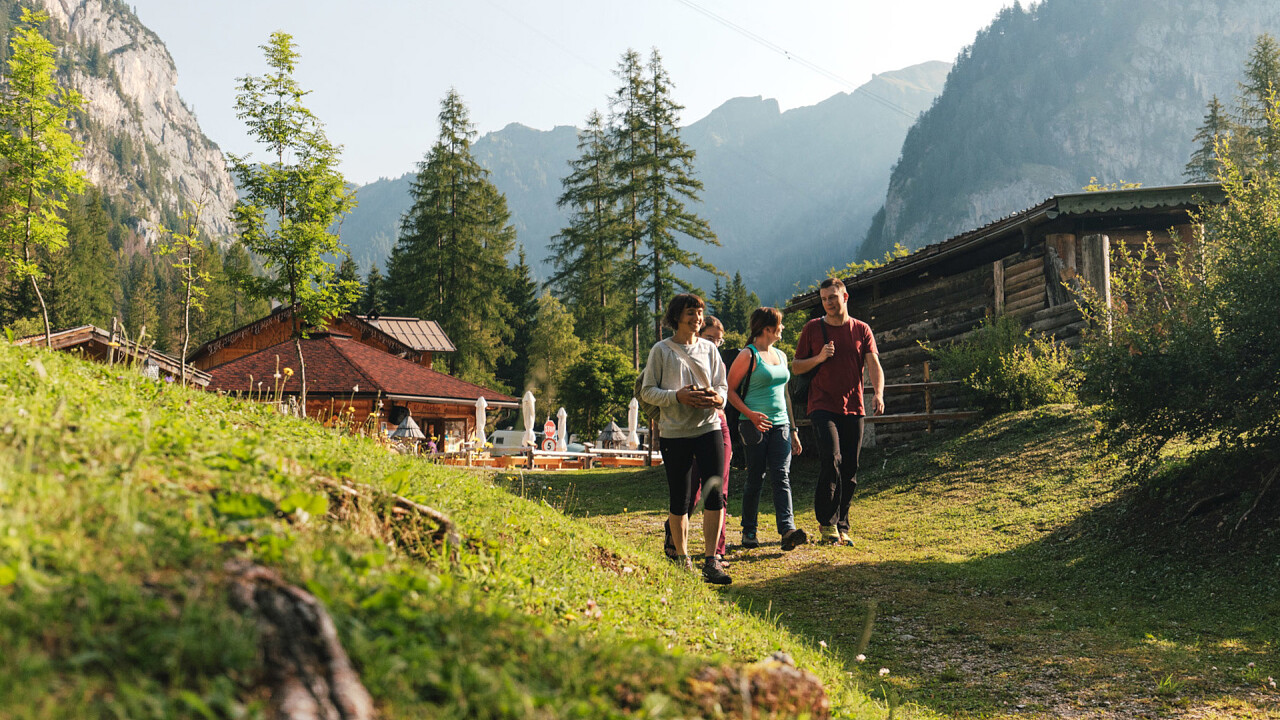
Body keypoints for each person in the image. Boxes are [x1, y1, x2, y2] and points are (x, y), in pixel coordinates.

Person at [640, 294, 732, 585]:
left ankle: (711, 561)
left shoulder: (709, 349)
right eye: (691, 312)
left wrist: (718, 399)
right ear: (677, 316)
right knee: (679, 498)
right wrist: (677, 396)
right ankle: (682, 558)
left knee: (715, 495)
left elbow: (722, 386)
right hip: (675, 433)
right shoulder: (661, 351)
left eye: (700, 313)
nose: (697, 318)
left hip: (709, 428)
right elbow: (647, 392)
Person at [792, 278, 884, 545]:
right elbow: (797, 367)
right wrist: (819, 358)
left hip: (854, 407)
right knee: (831, 460)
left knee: (850, 468)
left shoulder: (861, 329)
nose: (828, 303)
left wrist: (878, 393)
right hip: (821, 405)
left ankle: (843, 524)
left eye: (832, 297)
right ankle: (827, 525)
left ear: (845, 297)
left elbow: (874, 364)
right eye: (824, 299)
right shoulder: (812, 329)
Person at [727, 307, 808, 551]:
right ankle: (749, 531)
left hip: (781, 424)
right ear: (767, 328)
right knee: (755, 476)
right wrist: (750, 415)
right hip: (753, 425)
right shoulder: (748, 355)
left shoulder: (782, 356)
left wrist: (793, 429)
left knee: (781, 476)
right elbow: (729, 391)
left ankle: (787, 530)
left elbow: (785, 394)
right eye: (780, 325)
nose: (782, 328)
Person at [664, 316, 731, 563]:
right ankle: (674, 536)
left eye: (718, 339)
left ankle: (716, 553)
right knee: (688, 490)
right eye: (710, 337)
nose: (715, 343)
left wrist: (719, 399)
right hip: (681, 429)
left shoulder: (713, 355)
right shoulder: (670, 353)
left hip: (716, 423)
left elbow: (724, 388)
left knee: (718, 488)